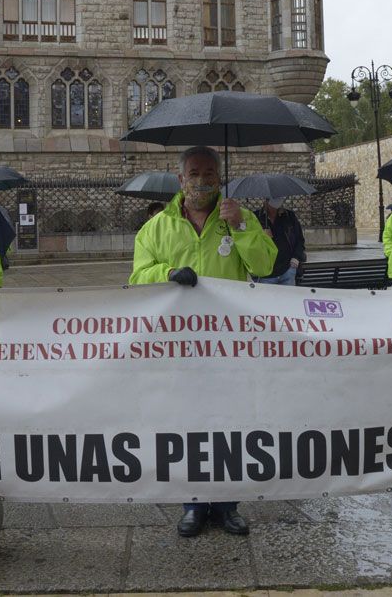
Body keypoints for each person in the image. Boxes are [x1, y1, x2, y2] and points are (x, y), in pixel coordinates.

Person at [130, 145, 276, 538]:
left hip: (231, 346)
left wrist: (243, 228)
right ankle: (194, 504)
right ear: (180, 179)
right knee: (189, 426)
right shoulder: (156, 227)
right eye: (194, 172)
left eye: (210, 173)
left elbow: (265, 265)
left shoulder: (238, 219)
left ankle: (228, 505)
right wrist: (169, 271)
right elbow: (138, 278)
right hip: (179, 347)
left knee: (231, 425)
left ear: (220, 177)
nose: (202, 180)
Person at [253, 197, 306, 285]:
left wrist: (296, 257)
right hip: (266, 273)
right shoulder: (255, 217)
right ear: (266, 200)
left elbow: (299, 239)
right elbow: (249, 244)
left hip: (288, 269)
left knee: (288, 298)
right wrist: (262, 237)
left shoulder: (289, 216)